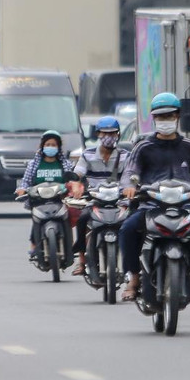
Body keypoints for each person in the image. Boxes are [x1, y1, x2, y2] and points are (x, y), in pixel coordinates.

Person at [120, 93, 190, 308]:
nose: (166, 121)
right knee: (127, 229)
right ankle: (134, 280)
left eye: (170, 116)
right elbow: (130, 171)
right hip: (151, 206)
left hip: (185, 207)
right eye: (161, 117)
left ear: (178, 117)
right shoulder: (143, 147)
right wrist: (129, 186)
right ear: (154, 119)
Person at [69, 117, 128, 275]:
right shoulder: (87, 155)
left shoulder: (125, 156)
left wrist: (130, 189)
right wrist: (76, 184)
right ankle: (81, 261)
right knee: (82, 220)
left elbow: (129, 179)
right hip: (95, 200)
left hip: (119, 201)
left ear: (118, 135)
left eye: (112, 133)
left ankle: (133, 262)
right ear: (98, 134)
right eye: (105, 133)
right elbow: (78, 173)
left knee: (132, 224)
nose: (109, 136)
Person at [16, 130, 72, 257]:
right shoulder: (34, 165)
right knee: (37, 218)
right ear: (42, 146)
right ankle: (34, 244)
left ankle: (69, 244)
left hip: (59, 199)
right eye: (48, 144)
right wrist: (22, 189)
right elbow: (26, 182)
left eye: (53, 145)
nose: (50, 147)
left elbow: (71, 181)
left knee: (67, 218)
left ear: (58, 148)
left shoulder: (65, 165)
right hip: (39, 200)